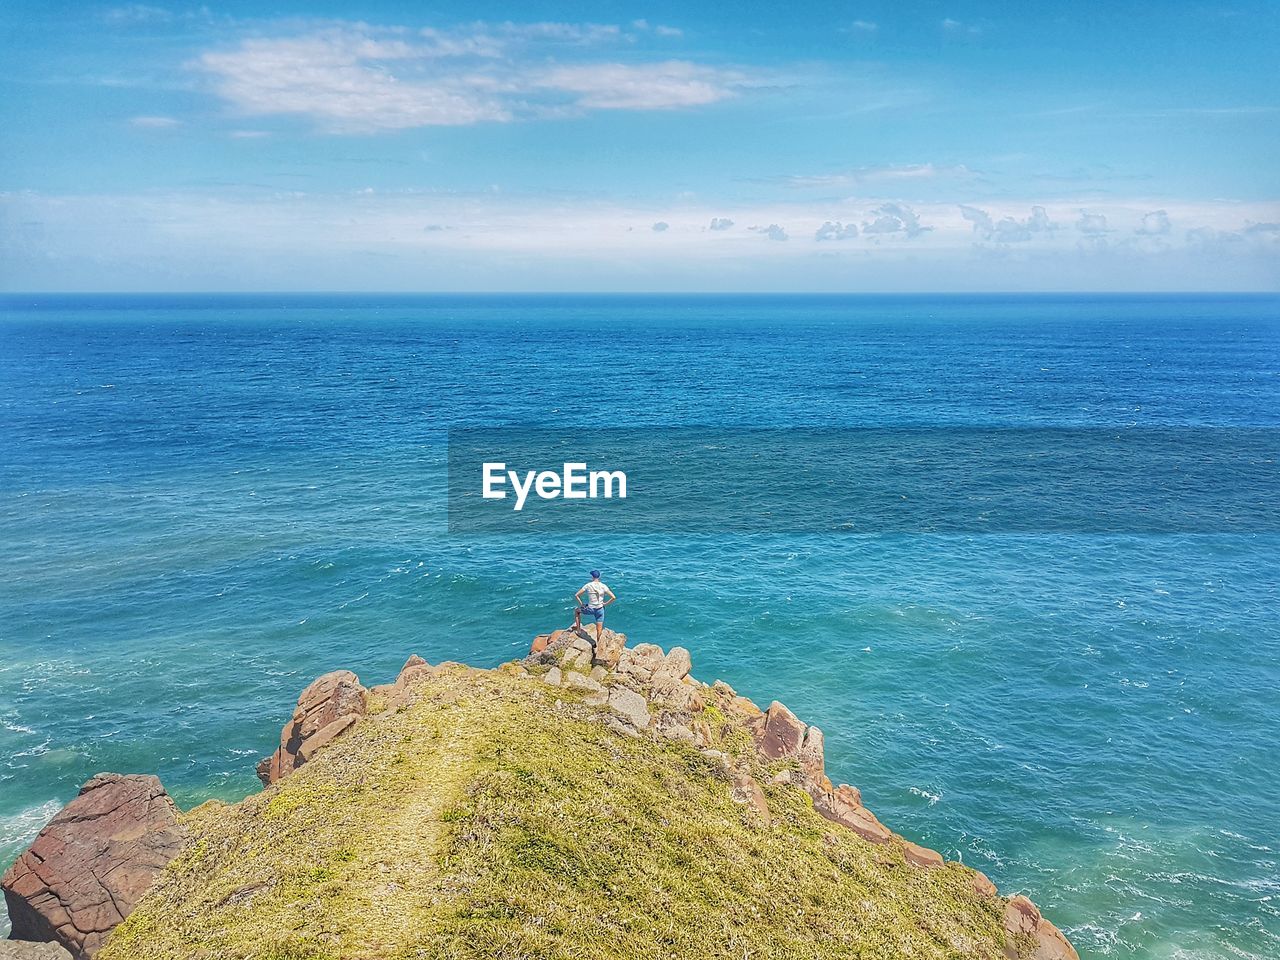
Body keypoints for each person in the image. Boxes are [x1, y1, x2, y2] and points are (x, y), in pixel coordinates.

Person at [574, 570, 616, 643]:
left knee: (577, 611)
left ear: (592, 577)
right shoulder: (603, 586)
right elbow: (613, 597)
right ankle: (598, 644)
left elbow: (576, 595)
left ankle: (578, 630)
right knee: (599, 629)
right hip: (600, 609)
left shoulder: (588, 585)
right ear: (599, 577)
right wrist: (605, 604)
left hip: (590, 609)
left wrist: (581, 604)